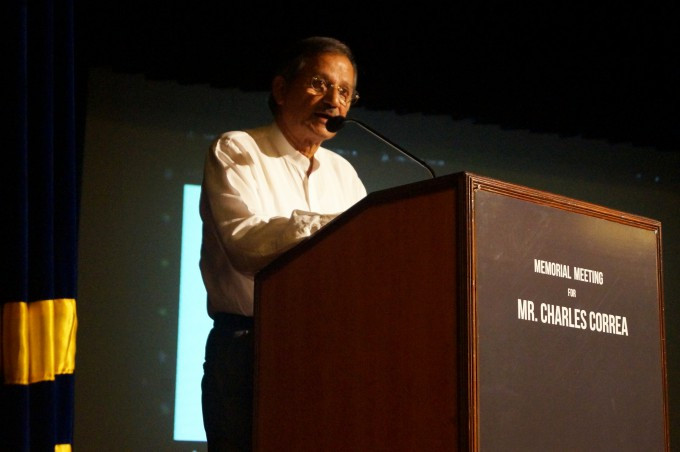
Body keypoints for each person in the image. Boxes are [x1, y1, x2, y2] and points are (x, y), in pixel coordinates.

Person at [199, 36, 367, 451]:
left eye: (345, 92)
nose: (333, 101)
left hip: (328, 351)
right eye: (319, 84)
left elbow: (364, 260)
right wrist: (334, 228)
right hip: (249, 349)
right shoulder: (238, 149)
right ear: (280, 89)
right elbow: (244, 244)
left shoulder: (344, 174)